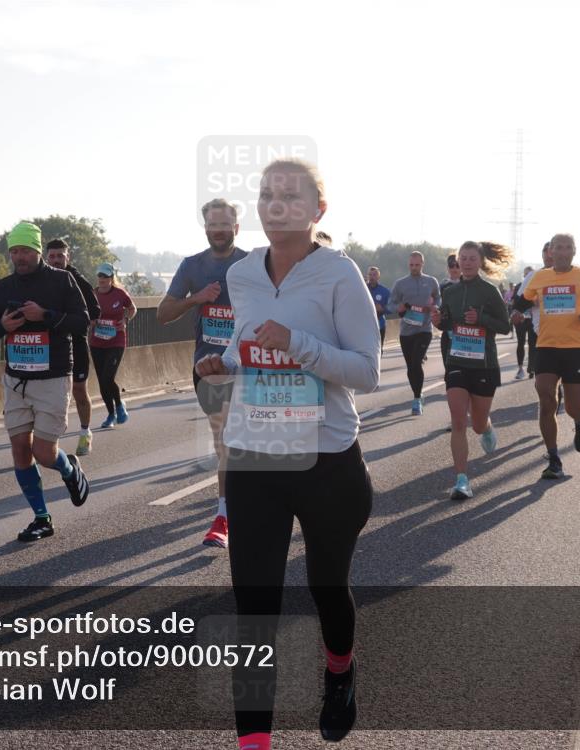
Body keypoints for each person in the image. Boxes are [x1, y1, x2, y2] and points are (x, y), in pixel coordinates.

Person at [195, 158, 379, 749]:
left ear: (317, 210)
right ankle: (255, 743)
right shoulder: (244, 274)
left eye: (291, 196)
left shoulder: (339, 274)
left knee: (329, 589)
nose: (277, 205)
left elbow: (367, 371)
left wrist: (298, 344)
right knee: (254, 613)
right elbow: (243, 337)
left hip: (327, 460)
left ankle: (339, 670)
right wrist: (221, 361)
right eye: (267, 195)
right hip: (256, 458)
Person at [0, 221, 91, 542]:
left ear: (37, 251)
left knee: (43, 453)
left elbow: (82, 323)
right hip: (15, 380)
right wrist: (1, 325)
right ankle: (42, 518)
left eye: (25, 250)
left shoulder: (62, 280)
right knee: (19, 450)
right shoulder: (2, 288)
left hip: (52, 379)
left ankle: (69, 468)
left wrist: (46, 316)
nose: (19, 257)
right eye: (14, 251)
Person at [157, 198, 248, 549]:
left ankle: (254, 502)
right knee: (224, 440)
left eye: (225, 225)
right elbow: (164, 314)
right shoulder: (192, 266)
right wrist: (196, 299)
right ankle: (224, 515)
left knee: (250, 443)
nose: (219, 231)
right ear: (205, 227)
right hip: (208, 367)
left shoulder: (253, 264)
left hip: (250, 366)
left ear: (236, 228)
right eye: (212, 225)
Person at [512, 233, 580, 479]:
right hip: (546, 347)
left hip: (576, 349)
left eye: (567, 247)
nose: (562, 251)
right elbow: (520, 302)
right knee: (546, 398)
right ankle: (554, 458)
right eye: (557, 247)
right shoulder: (539, 278)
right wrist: (516, 312)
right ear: (551, 252)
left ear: (573, 251)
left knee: (572, 407)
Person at [431, 241, 513, 499]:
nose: (466, 263)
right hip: (456, 361)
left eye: (471, 259)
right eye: (462, 259)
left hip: (484, 365)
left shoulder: (489, 291)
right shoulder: (450, 292)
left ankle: (486, 427)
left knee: (476, 424)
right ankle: (462, 480)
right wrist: (438, 321)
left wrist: (481, 319)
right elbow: (446, 323)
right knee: (458, 420)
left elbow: (505, 326)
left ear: (480, 261)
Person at [45, 238, 102, 456]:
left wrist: (78, 322)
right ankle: (49, 439)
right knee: (50, 392)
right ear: (46, 257)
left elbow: (94, 313)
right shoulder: (40, 280)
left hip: (76, 343)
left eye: (61, 256)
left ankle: (85, 432)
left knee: (79, 390)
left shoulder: (78, 280)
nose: (57, 260)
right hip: (50, 345)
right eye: (52, 256)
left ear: (68, 257)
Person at [390, 251, 441, 414]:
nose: (414, 268)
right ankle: (417, 394)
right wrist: (399, 308)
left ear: (422, 264)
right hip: (406, 331)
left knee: (416, 363)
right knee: (411, 367)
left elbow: (438, 299)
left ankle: (417, 399)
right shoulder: (400, 283)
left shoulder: (431, 281)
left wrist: (435, 307)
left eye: (417, 265)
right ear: (408, 265)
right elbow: (390, 304)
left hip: (424, 329)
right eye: (411, 265)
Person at [90, 263, 136, 428]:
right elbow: (85, 312)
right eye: (100, 276)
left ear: (111, 278)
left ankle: (119, 405)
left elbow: (132, 309)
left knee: (108, 377)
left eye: (105, 276)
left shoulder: (119, 294)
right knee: (102, 382)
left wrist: (125, 320)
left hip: (116, 341)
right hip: (97, 342)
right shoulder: (92, 294)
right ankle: (111, 414)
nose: (102, 279)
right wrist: (91, 320)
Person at [438, 254, 462, 369]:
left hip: (465, 333)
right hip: (448, 332)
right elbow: (439, 306)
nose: (454, 269)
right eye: (451, 266)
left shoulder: (468, 284)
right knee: (448, 369)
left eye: (457, 266)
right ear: (447, 268)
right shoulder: (442, 286)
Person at [513, 266, 535, 379]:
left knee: (532, 343)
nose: (527, 277)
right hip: (521, 320)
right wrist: (517, 313)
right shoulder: (518, 287)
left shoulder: (536, 285)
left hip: (532, 319)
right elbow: (514, 303)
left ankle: (531, 367)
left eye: (529, 274)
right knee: (520, 343)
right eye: (525, 274)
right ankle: (520, 368)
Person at [366, 266, 391, 353]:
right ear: (367, 276)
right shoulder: (362, 289)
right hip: (364, 326)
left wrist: (382, 309)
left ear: (378, 276)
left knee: (378, 350)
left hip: (379, 325)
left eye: (374, 274)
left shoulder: (385, 291)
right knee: (366, 350)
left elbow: (392, 308)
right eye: (370, 274)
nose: (372, 277)